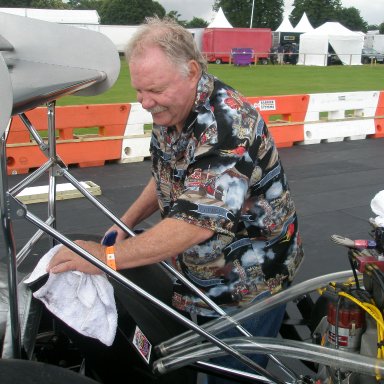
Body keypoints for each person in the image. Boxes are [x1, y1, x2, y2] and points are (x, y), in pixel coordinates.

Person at [47, 16, 304, 383]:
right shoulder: (171, 108)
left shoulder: (229, 126)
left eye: (154, 90)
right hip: (198, 279)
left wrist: (101, 259)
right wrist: (126, 224)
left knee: (230, 377)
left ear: (192, 71)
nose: (144, 102)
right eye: (139, 90)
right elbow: (168, 175)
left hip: (247, 287)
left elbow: (193, 224)